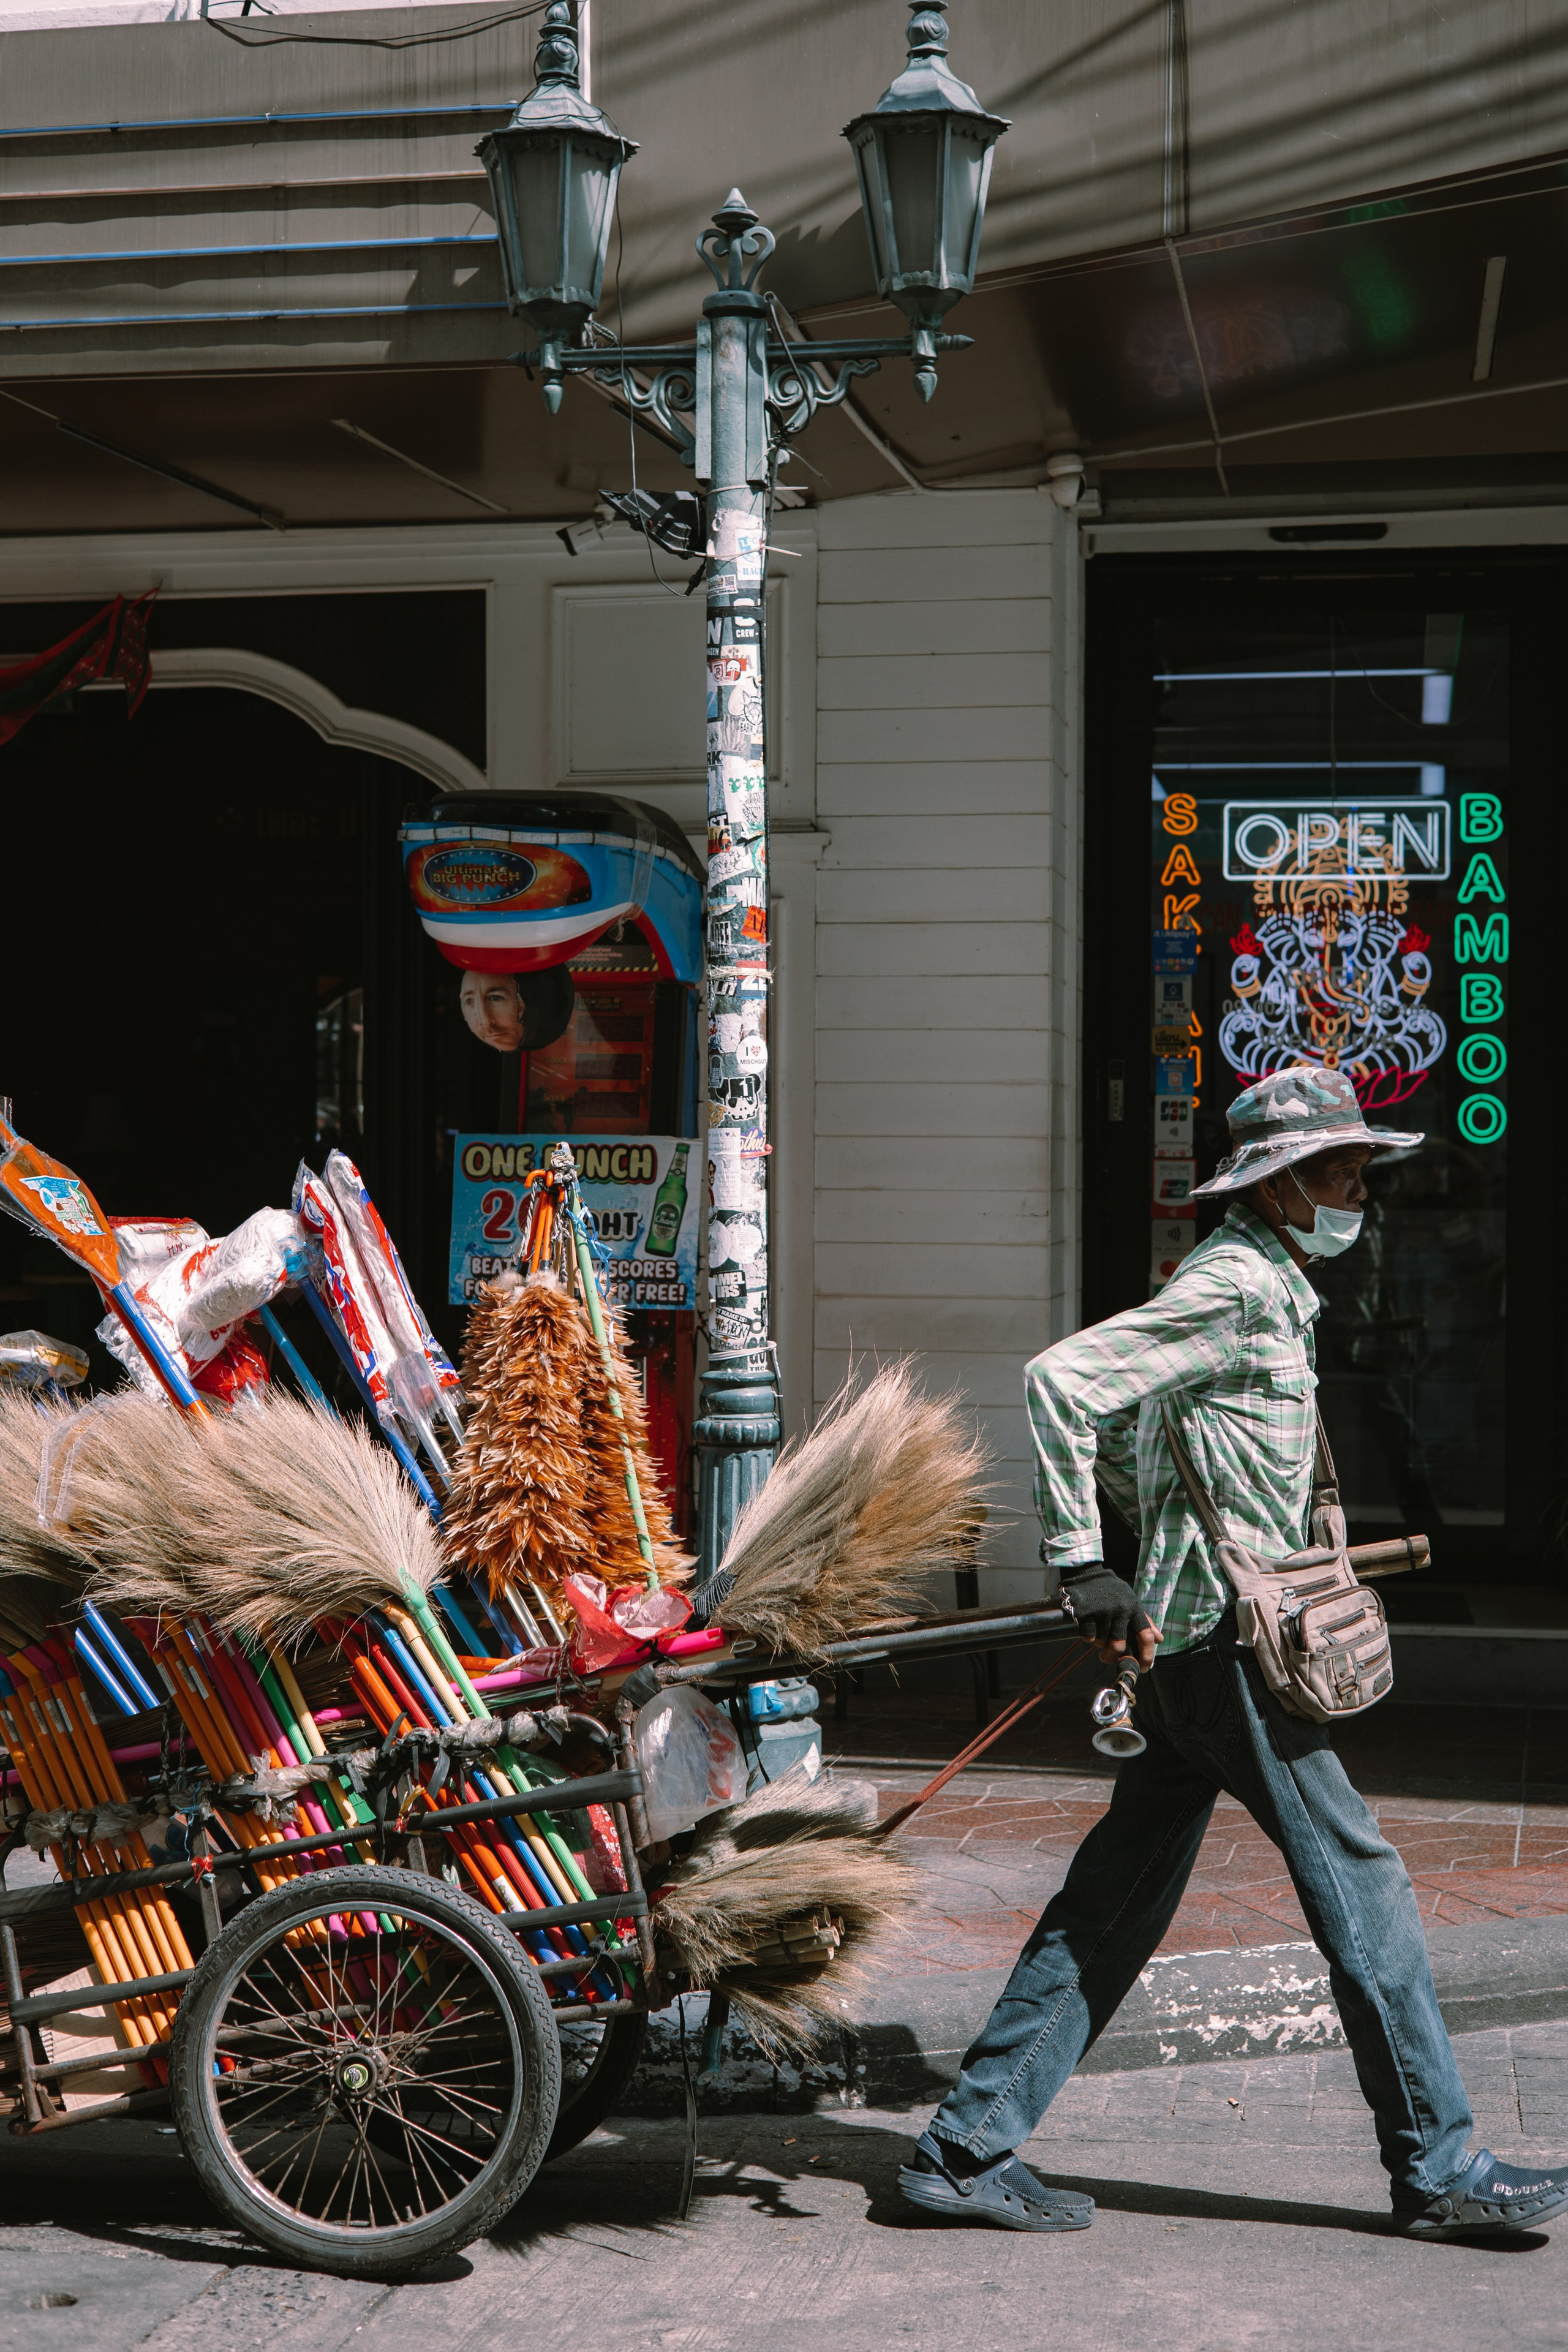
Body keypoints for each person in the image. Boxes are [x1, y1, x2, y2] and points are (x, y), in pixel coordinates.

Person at [899, 1066, 1568, 2241]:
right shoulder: (1237, 1288)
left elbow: (1140, 1440)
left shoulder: (1262, 1287)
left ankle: (963, 2149)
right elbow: (1063, 1384)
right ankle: (1441, 2167)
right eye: (1342, 1168)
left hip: (1196, 1637)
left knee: (1111, 1906)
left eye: (1362, 1165)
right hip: (1230, 1650)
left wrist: (1142, 1556)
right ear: (1282, 1183)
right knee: (1368, 1896)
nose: (1363, 1185)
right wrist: (1083, 1564)